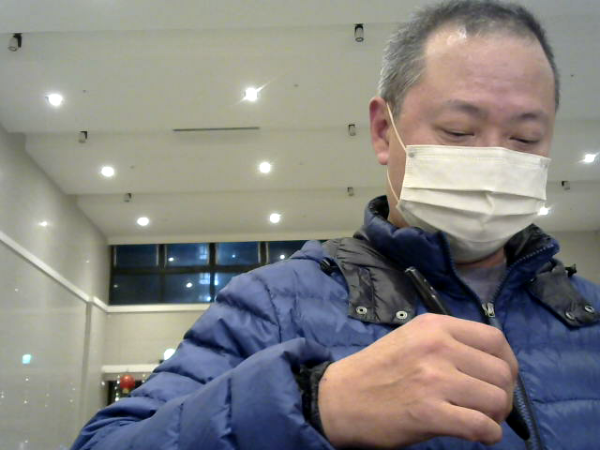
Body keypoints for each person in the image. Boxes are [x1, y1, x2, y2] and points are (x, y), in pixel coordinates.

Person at [71, 1, 600, 449]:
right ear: (383, 131)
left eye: (525, 138)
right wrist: (313, 405)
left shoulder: (590, 316)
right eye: (459, 130)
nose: (494, 159)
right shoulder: (274, 304)